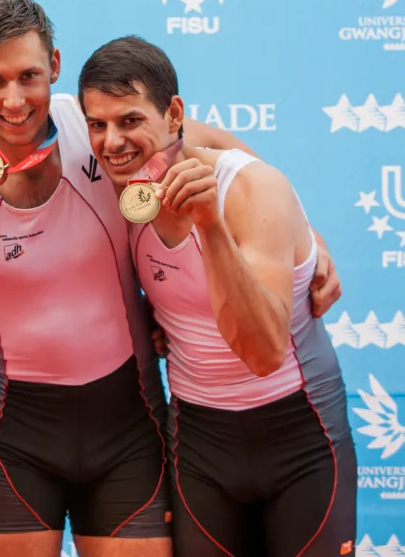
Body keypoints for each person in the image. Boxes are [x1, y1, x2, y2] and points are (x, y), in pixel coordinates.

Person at [0, 0, 343, 557]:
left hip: (129, 429)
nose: (16, 101)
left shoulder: (97, 129)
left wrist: (305, 234)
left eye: (30, 77)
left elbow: (206, 145)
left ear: (56, 69)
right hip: (14, 438)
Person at [78, 36, 356, 557]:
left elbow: (263, 352)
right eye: (97, 125)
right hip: (199, 441)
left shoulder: (250, 192)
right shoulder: (120, 182)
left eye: (130, 121)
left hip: (299, 430)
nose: (112, 141)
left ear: (173, 113)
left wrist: (214, 226)